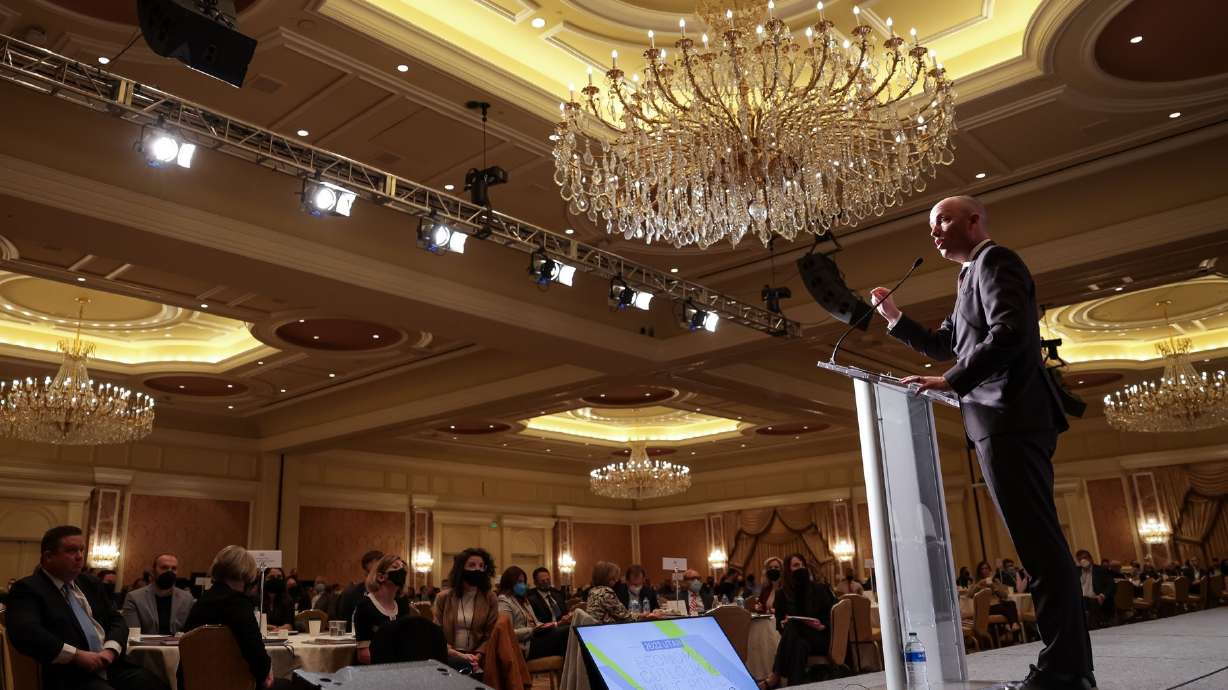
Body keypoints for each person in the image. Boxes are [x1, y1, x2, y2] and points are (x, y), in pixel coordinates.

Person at [873, 195, 1092, 690]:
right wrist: (894, 317)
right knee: (1040, 548)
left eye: (943, 220)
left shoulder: (996, 260)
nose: (934, 232)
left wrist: (951, 382)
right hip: (1000, 419)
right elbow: (949, 344)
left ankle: (1066, 671)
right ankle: (1070, 669)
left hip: (1010, 416)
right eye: (930, 225)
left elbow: (1011, 334)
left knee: (1040, 551)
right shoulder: (968, 276)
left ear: (975, 220)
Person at [6, 525, 166, 690]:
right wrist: (76, 655)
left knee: (153, 683)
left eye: (82, 550)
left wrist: (110, 650)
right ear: (48, 556)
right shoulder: (28, 588)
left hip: (109, 665)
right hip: (68, 673)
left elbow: (117, 621)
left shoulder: (90, 583)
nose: (80, 556)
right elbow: (26, 631)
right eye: (71, 551)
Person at [181, 545, 290, 690]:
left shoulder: (203, 601)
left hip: (193, 683)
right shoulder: (238, 604)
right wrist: (265, 673)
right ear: (247, 573)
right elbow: (256, 653)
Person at [767, 553, 836, 688]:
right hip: (798, 640)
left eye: (803, 565)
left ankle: (775, 675)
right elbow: (779, 626)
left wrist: (820, 626)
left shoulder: (820, 589)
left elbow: (831, 619)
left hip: (819, 638)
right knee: (799, 645)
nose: (801, 568)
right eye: (796, 565)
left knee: (793, 626)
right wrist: (783, 624)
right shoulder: (782, 594)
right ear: (788, 570)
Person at [434, 547, 499, 673]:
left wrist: (477, 656)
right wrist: (458, 655)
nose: (477, 569)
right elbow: (437, 633)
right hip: (449, 653)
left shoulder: (490, 598)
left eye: (481, 566)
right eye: (472, 565)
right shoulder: (443, 597)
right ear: (461, 569)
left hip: (479, 654)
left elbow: (490, 634)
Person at [497, 566, 568, 660]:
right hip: (523, 646)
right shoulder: (504, 600)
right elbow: (507, 632)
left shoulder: (523, 600)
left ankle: (567, 671)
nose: (523, 585)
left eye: (523, 582)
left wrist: (552, 625)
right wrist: (532, 630)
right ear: (510, 582)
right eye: (519, 582)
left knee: (568, 631)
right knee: (566, 633)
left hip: (535, 639)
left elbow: (536, 622)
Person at [354, 554, 413, 664]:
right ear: (381, 577)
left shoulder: (402, 603)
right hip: (375, 670)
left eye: (402, 568)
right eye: (395, 568)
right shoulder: (365, 606)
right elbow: (363, 655)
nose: (401, 571)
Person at [122, 553, 194, 635]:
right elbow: (133, 634)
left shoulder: (187, 598)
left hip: (177, 646)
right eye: (164, 568)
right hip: (145, 647)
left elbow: (190, 632)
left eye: (174, 568)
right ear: (153, 571)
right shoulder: (134, 597)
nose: (169, 572)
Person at [585, 561, 662, 624]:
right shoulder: (606, 592)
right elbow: (625, 617)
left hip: (596, 629)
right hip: (606, 631)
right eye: (613, 579)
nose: (616, 581)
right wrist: (644, 616)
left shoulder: (593, 591)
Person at [336, 550, 384, 630]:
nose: (377, 576)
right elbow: (345, 625)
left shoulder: (392, 593)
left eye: (379, 571)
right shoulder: (351, 594)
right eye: (372, 572)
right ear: (365, 573)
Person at [1074, 550, 1114, 630]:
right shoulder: (1076, 571)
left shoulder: (1100, 570)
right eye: (1080, 559)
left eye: (1085, 558)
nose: (1083, 560)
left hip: (1096, 598)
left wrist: (1102, 595)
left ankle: (1091, 627)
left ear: (1090, 558)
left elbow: (1111, 585)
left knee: (1089, 603)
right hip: (1080, 599)